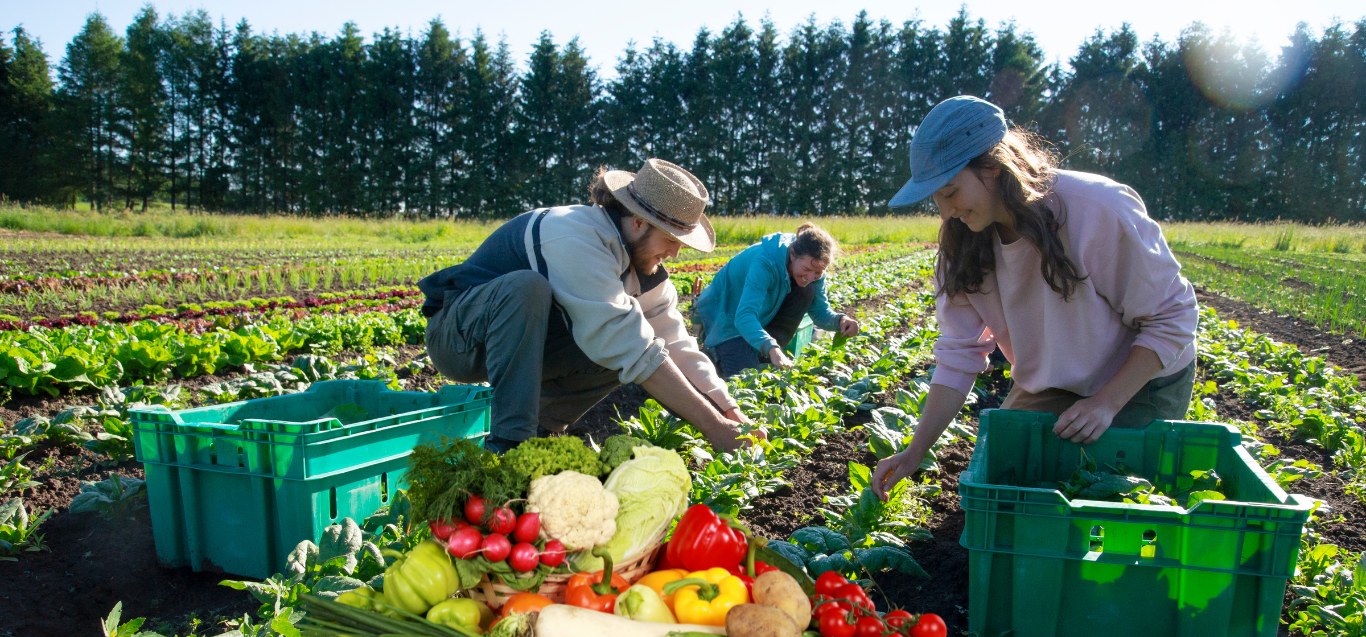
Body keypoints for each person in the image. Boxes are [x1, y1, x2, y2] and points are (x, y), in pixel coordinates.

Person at [870, 95, 1198, 500]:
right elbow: (959, 354)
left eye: (950, 192)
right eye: (935, 198)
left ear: (993, 167)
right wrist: (915, 450)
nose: (945, 212)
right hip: (1054, 378)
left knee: (1112, 494)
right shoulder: (961, 246)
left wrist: (1106, 403)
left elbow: (1174, 316)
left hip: (1141, 377)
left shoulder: (1095, 209)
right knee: (1008, 488)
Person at [418, 159, 763, 454]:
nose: (674, 253)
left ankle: (542, 431)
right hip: (459, 338)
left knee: (633, 343)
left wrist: (727, 409)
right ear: (638, 222)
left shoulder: (646, 269)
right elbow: (627, 341)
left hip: (523, 346)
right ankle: (509, 448)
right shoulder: (573, 235)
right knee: (531, 291)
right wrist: (713, 429)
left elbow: (675, 342)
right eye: (671, 240)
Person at [693, 223, 860, 378]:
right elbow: (744, 316)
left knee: (807, 289)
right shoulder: (765, 262)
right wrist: (772, 348)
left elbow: (820, 312)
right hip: (725, 317)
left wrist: (841, 321)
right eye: (807, 269)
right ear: (793, 254)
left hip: (757, 313)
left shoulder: (814, 269)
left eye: (818, 273)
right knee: (745, 380)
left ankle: (764, 351)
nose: (811, 277)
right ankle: (715, 349)